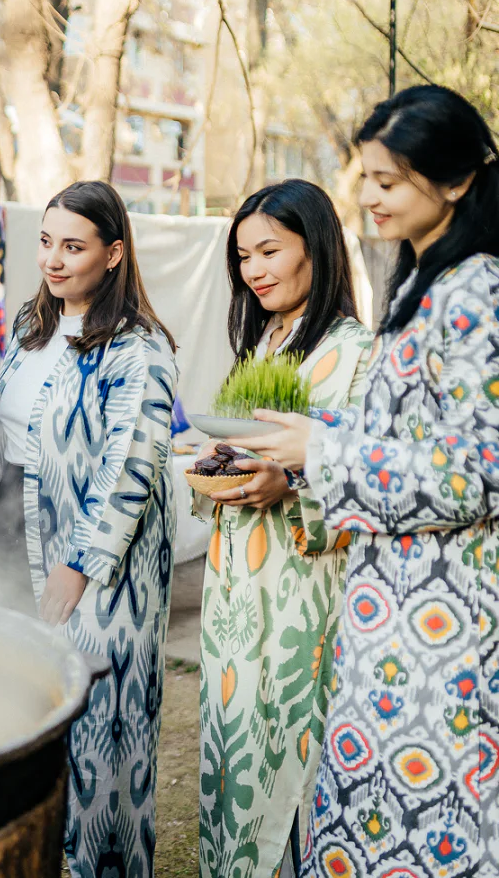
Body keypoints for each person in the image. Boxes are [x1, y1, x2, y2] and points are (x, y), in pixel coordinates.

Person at [228, 85, 499, 877]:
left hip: (445, 623)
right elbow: (410, 436)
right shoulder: (422, 281)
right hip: (392, 612)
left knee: (427, 828)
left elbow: (480, 467)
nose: (370, 196)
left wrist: (324, 452)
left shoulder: (478, 289)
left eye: (389, 179)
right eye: (365, 178)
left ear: (456, 181)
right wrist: (307, 439)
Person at [0, 180, 177, 877]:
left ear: (114, 253)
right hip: (19, 535)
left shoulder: (139, 349)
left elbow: (132, 465)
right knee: (31, 715)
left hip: (101, 567)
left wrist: (78, 566)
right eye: (46, 242)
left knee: (102, 726)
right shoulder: (30, 327)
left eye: (73, 246)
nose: (53, 260)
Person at [194, 180, 373, 878]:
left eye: (269, 251)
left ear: (315, 248)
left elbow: (371, 482)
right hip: (236, 582)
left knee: (296, 751)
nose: (254, 270)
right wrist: (212, 466)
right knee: (234, 745)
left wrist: (291, 484)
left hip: (305, 590)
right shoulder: (261, 343)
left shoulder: (358, 353)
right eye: (243, 257)